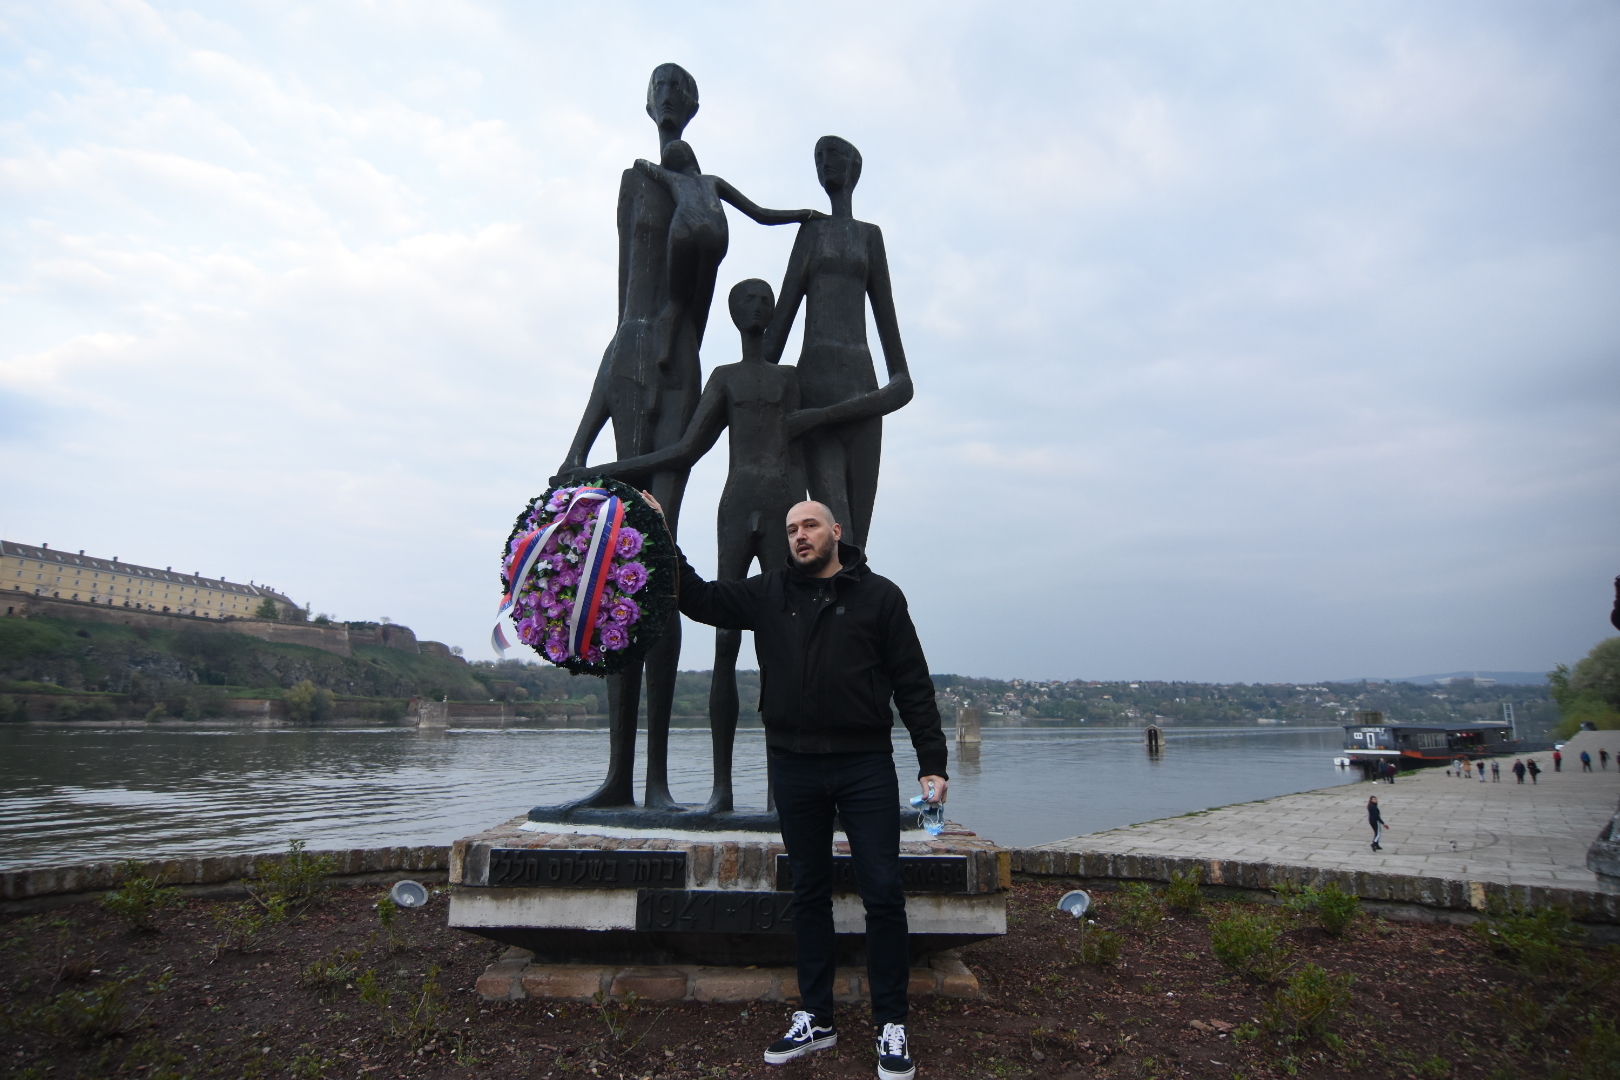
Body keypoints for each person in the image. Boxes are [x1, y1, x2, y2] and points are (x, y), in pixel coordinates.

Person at [568, 280, 899, 811]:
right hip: (736, 510)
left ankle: (777, 793)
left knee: (781, 645)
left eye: (766, 299)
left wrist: (827, 513)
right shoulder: (724, 378)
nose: (759, 307)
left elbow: (824, 437)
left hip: (783, 510)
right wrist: (602, 470)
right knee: (725, 644)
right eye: (748, 299)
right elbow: (685, 449)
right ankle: (720, 790)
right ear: (732, 312)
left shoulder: (790, 381)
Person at [649, 494, 945, 1080]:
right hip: (794, 764)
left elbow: (913, 681)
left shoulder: (881, 596)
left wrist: (932, 763)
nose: (799, 535)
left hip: (864, 765)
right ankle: (817, 1016)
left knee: (883, 891)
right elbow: (700, 598)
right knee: (808, 891)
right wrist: (660, 536)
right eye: (791, 529)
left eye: (810, 525)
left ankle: (891, 1021)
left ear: (836, 531)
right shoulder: (768, 592)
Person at [762, 136, 916, 549]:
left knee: (857, 545)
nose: (825, 162)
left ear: (854, 168)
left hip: (860, 398)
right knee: (837, 532)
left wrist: (825, 415)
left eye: (834, 155)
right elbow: (776, 334)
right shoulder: (811, 233)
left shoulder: (869, 237)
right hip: (813, 388)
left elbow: (902, 381)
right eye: (818, 157)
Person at [631, 142, 822, 371]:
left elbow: (641, 164)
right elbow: (760, 213)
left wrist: (652, 165)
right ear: (694, 161)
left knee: (676, 301)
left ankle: (665, 351)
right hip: (715, 234)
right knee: (701, 301)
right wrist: (804, 214)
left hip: (683, 230)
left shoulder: (673, 179)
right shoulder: (713, 181)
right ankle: (694, 347)